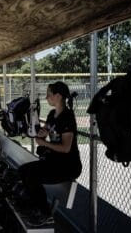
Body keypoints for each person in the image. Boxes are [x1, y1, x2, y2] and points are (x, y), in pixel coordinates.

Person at [18, 81, 82, 226]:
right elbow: (43, 133)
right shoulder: (53, 114)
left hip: (68, 166)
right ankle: (35, 207)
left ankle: (44, 213)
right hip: (54, 162)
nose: (47, 98)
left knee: (32, 176)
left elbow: (66, 148)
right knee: (23, 171)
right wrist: (40, 133)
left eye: (49, 94)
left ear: (58, 96)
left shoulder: (67, 117)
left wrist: (45, 143)